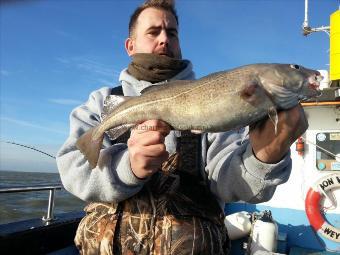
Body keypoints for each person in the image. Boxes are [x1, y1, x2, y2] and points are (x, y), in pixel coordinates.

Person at [56, 0, 308, 254]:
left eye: (172, 33)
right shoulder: (103, 102)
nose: (164, 39)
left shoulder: (215, 100)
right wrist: (128, 167)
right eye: (153, 32)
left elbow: (230, 184)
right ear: (130, 46)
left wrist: (265, 155)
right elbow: (73, 169)